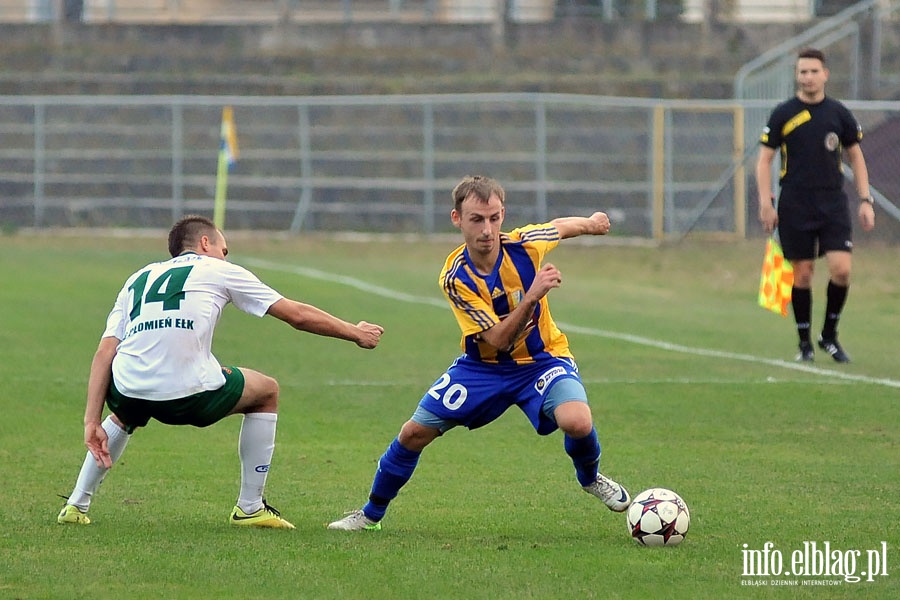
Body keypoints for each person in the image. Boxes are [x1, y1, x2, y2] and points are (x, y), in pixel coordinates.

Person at [327, 175, 630, 532]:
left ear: (503, 215)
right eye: (476, 219)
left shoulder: (524, 245)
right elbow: (499, 340)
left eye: (495, 218)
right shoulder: (456, 278)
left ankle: (590, 478)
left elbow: (559, 227)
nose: (487, 229)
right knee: (413, 434)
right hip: (483, 368)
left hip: (543, 359)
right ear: (457, 219)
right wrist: (532, 295)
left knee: (577, 422)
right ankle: (370, 515)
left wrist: (592, 224)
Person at [57, 215, 384, 528]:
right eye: (223, 250)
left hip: (126, 391)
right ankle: (250, 507)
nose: (225, 257)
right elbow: (295, 314)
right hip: (186, 394)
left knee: (127, 412)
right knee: (266, 391)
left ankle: (76, 504)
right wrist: (354, 332)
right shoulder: (218, 269)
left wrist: (90, 421)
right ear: (205, 243)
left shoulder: (138, 278)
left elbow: (105, 352)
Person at [756, 47, 876, 363]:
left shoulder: (838, 113)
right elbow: (764, 159)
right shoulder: (783, 113)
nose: (808, 77)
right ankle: (804, 343)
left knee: (842, 270)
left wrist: (865, 200)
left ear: (825, 74)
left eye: (813, 71)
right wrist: (766, 202)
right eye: (803, 72)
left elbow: (856, 156)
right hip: (795, 202)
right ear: (797, 76)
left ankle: (829, 336)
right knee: (803, 274)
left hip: (832, 202)